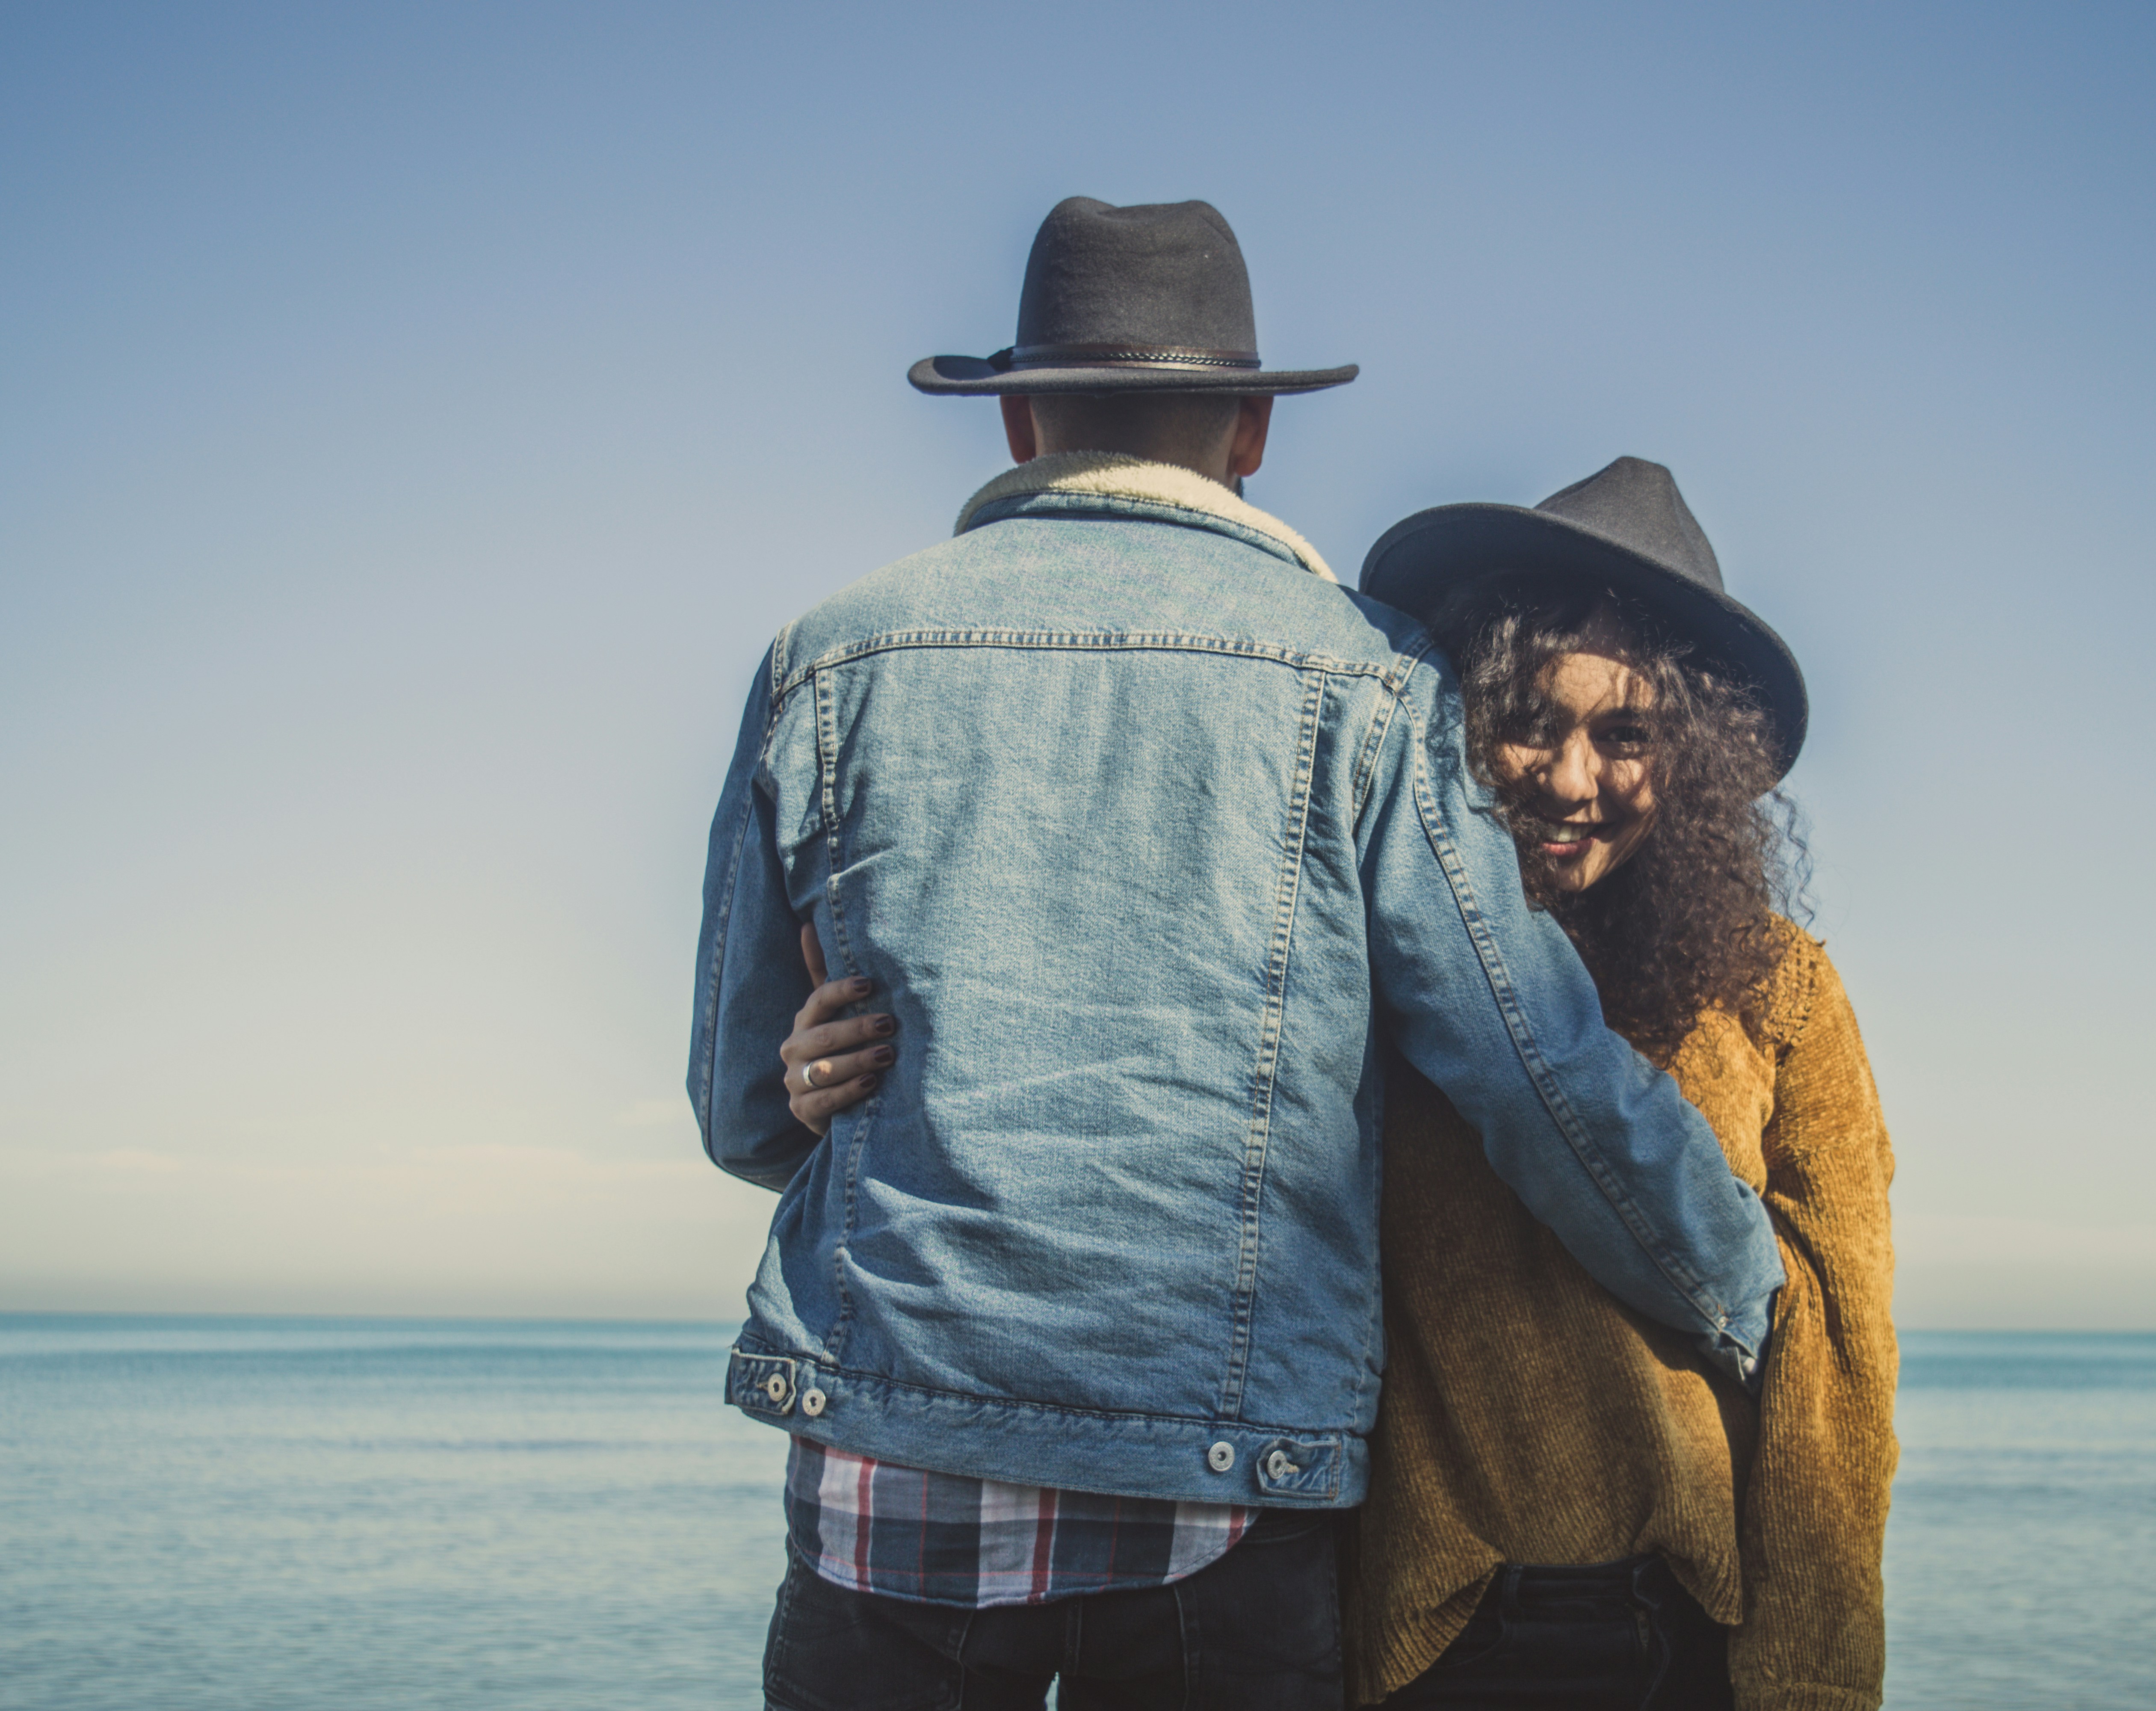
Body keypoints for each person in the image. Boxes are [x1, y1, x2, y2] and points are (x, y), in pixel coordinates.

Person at [690, 199, 1785, 1711]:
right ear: (1253, 432)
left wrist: (820, 1085)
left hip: (890, 1479)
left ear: (1016, 420)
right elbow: (1527, 1059)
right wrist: (1736, 1275)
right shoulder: (1366, 673)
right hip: (1224, 1502)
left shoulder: (825, 658)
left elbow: (745, 1107)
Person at [781, 458, 1901, 1709]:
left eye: (1627, 735)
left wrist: (1813, 1685)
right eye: (1531, 720)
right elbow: (1130, 1089)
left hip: (1685, 1622)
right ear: (1456, 723)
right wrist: (836, 1083)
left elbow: (1836, 1365)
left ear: (1690, 758)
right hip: (1416, 1628)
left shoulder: (1778, 989)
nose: (1575, 779)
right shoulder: (1347, 958)